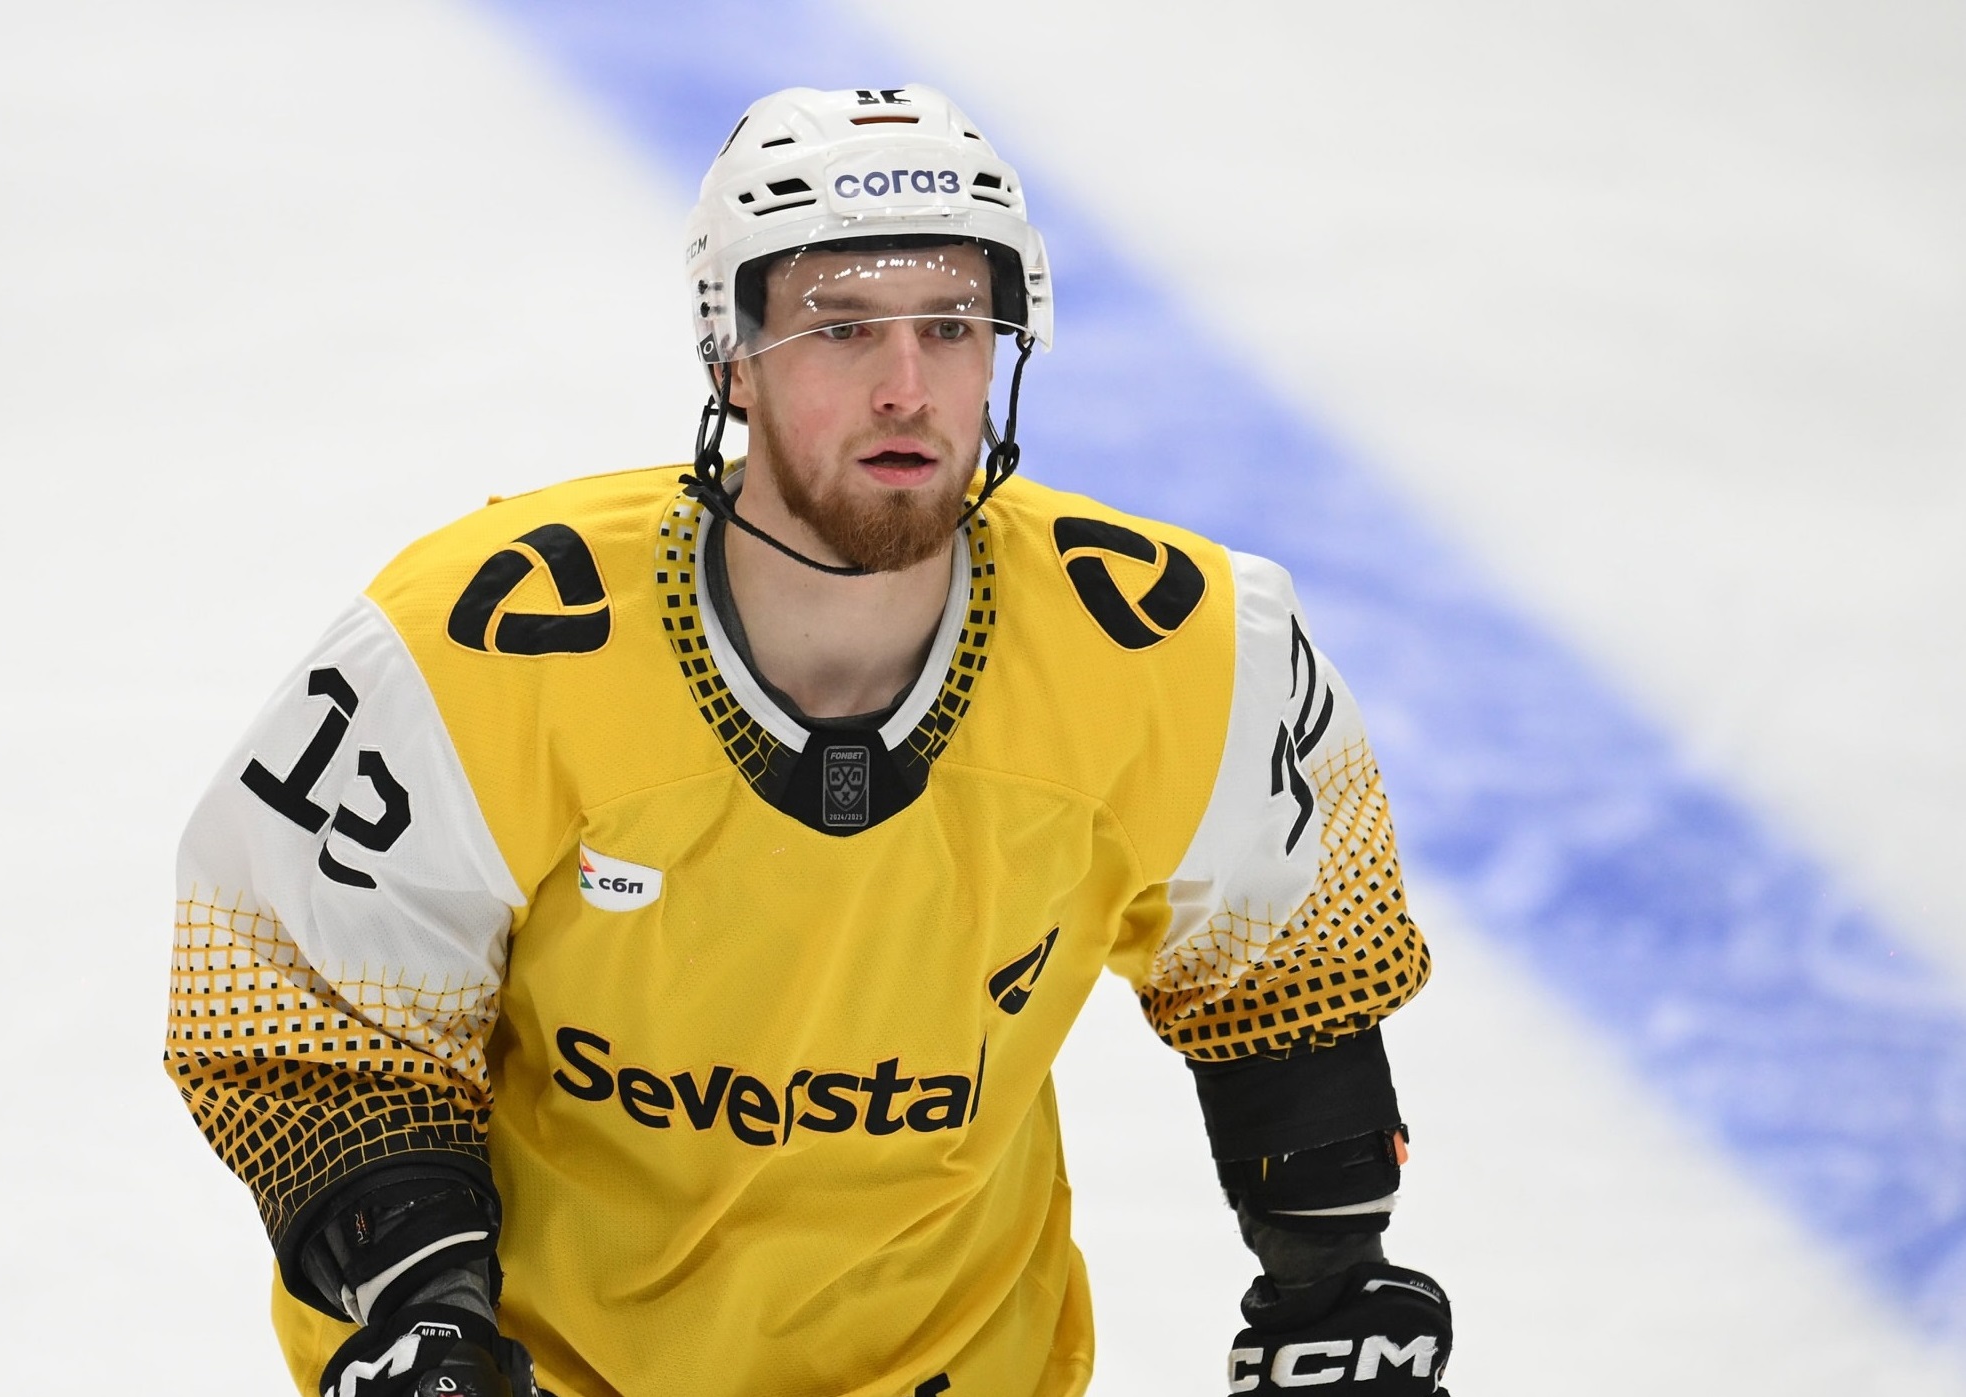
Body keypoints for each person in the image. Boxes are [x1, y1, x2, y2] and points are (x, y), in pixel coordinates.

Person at [167, 85, 1453, 1397]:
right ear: (732, 357)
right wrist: (425, 1312)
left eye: (951, 325)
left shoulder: (1173, 649)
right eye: (841, 328)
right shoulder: (485, 646)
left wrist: (1333, 1281)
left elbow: (1285, 969)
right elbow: (312, 1008)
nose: (908, 388)